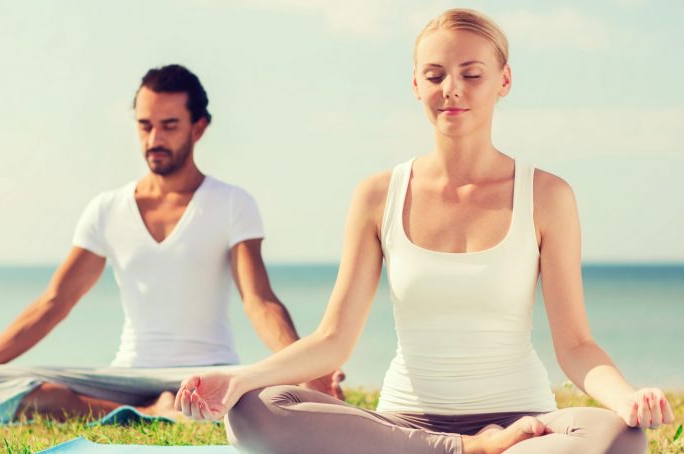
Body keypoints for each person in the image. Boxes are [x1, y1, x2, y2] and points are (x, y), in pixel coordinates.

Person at [174, 9, 675, 454]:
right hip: (404, 428)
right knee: (254, 410)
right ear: (415, 84)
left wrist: (628, 398)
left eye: (471, 74)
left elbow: (577, 347)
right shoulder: (378, 195)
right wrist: (239, 379)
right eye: (435, 75)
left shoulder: (547, 196)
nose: (451, 88)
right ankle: (465, 450)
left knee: (621, 437)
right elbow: (332, 339)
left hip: (526, 426)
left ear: (504, 81)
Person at [0, 64, 342, 423]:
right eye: (145, 125)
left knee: (272, 396)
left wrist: (305, 366)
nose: (154, 139)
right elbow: (55, 302)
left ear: (198, 128)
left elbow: (259, 301)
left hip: (210, 374)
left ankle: (172, 408)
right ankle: (148, 412)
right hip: (125, 376)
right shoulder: (107, 208)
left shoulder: (232, 203)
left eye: (169, 126)